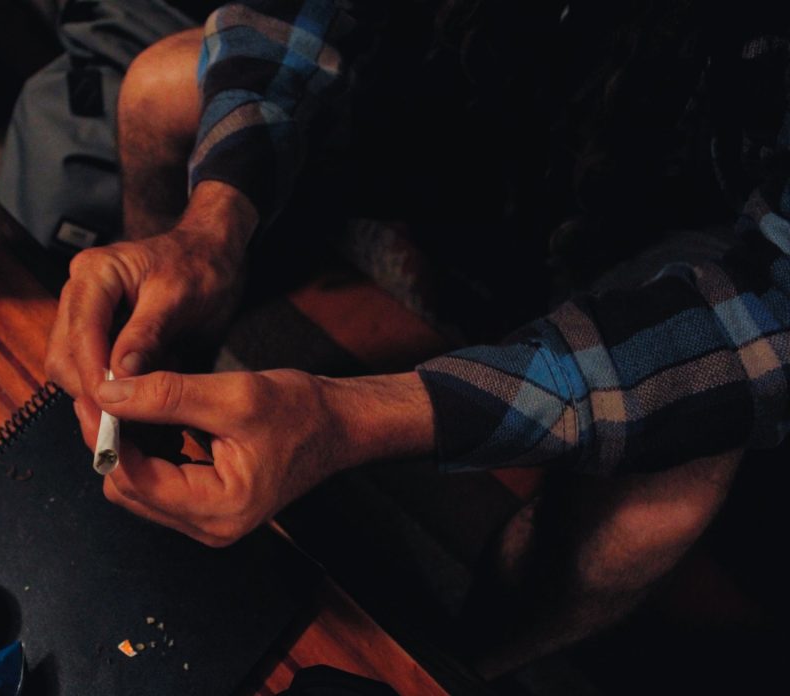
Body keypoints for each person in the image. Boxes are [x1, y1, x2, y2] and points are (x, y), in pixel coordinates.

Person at [45, 0, 790, 678]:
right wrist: (211, 225)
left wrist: (353, 417)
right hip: (462, 112)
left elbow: (770, 308)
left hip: (665, 220)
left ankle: (452, 664)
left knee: (665, 501)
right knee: (157, 85)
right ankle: (169, 384)